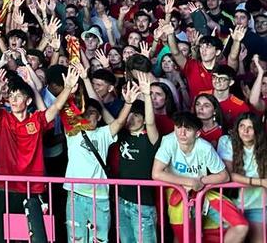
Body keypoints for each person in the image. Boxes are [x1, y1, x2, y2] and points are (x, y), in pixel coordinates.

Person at [0, 54, 80, 243]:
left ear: (28, 101)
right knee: (3, 236)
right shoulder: (4, 119)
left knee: (35, 237)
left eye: (18, 97)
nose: (13, 100)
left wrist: (69, 87)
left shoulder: (37, 120)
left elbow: (55, 108)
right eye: (11, 96)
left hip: (34, 188)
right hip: (5, 188)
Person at [151, 111, 248, 243]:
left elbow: (224, 176)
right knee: (184, 237)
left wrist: (200, 181)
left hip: (203, 192)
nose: (181, 133)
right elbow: (156, 173)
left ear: (197, 133)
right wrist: (190, 182)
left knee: (241, 226)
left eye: (188, 129)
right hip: (178, 195)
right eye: (178, 127)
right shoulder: (169, 141)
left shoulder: (205, 147)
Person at [62, 79, 138, 243]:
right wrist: (69, 90)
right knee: (76, 238)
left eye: (92, 113)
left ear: (98, 116)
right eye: (85, 113)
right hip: (75, 193)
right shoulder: (73, 131)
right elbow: (62, 108)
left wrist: (129, 103)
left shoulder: (104, 133)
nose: (89, 116)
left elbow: (119, 122)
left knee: (100, 238)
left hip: (100, 194)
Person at [113, 72, 161, 243]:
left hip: (143, 204)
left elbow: (151, 122)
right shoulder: (121, 134)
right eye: (130, 115)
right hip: (122, 200)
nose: (131, 119)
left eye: (137, 116)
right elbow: (106, 114)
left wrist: (147, 95)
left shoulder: (151, 138)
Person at [218, 112, 267, 242]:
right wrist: (261, 182)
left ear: (257, 129)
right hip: (232, 203)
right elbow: (228, 174)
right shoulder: (226, 141)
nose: (245, 131)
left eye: (250, 127)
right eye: (242, 126)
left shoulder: (264, 146)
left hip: (258, 203)